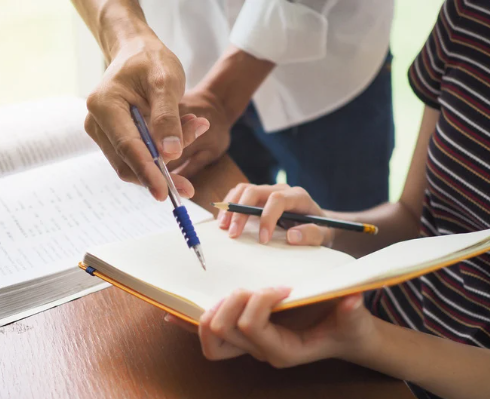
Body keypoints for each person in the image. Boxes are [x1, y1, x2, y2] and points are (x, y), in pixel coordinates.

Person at [165, 1, 490, 398]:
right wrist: (323, 226)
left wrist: (368, 342)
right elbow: (411, 219)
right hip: (370, 343)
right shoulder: (470, 15)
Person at [71, 0, 394, 211]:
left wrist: (220, 99)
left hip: (328, 74)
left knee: (348, 262)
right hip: (185, 65)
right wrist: (126, 37)